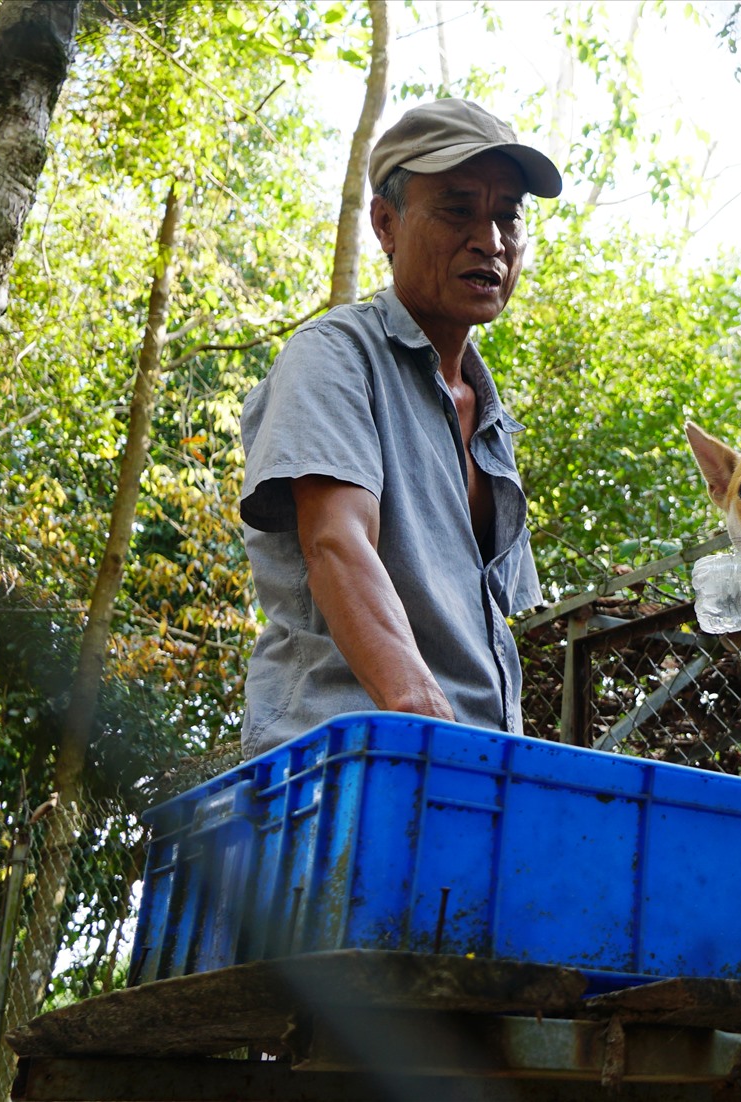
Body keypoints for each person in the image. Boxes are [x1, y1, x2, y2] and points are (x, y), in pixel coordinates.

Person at [236, 99, 563, 754]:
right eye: (458, 209)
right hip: (345, 765)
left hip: (467, 778)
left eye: (508, 216)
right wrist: (427, 726)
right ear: (386, 224)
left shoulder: (493, 422)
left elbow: (486, 630)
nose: (491, 239)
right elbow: (337, 543)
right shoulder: (334, 355)